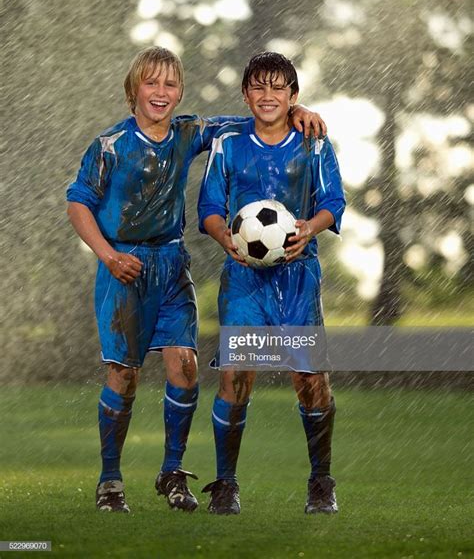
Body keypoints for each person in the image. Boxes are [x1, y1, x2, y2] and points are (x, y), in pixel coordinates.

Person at [66, 46, 327, 514]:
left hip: (171, 264)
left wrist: (298, 109)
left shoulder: (191, 132)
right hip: (124, 265)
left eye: (170, 84)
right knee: (123, 375)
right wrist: (107, 255)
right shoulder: (110, 145)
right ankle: (110, 481)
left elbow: (257, 119)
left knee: (185, 367)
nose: (161, 93)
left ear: (180, 91)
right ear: (134, 90)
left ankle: (172, 473)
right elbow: (77, 203)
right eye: (151, 83)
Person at [198, 51, 345, 515]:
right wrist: (226, 237)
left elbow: (334, 201)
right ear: (245, 95)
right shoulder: (228, 143)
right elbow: (209, 209)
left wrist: (310, 229)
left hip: (298, 277)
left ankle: (321, 481)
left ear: (293, 96)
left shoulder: (313, 142)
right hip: (244, 278)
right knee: (236, 375)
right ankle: (225, 484)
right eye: (258, 87)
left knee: (310, 380)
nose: (267, 96)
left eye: (278, 88)